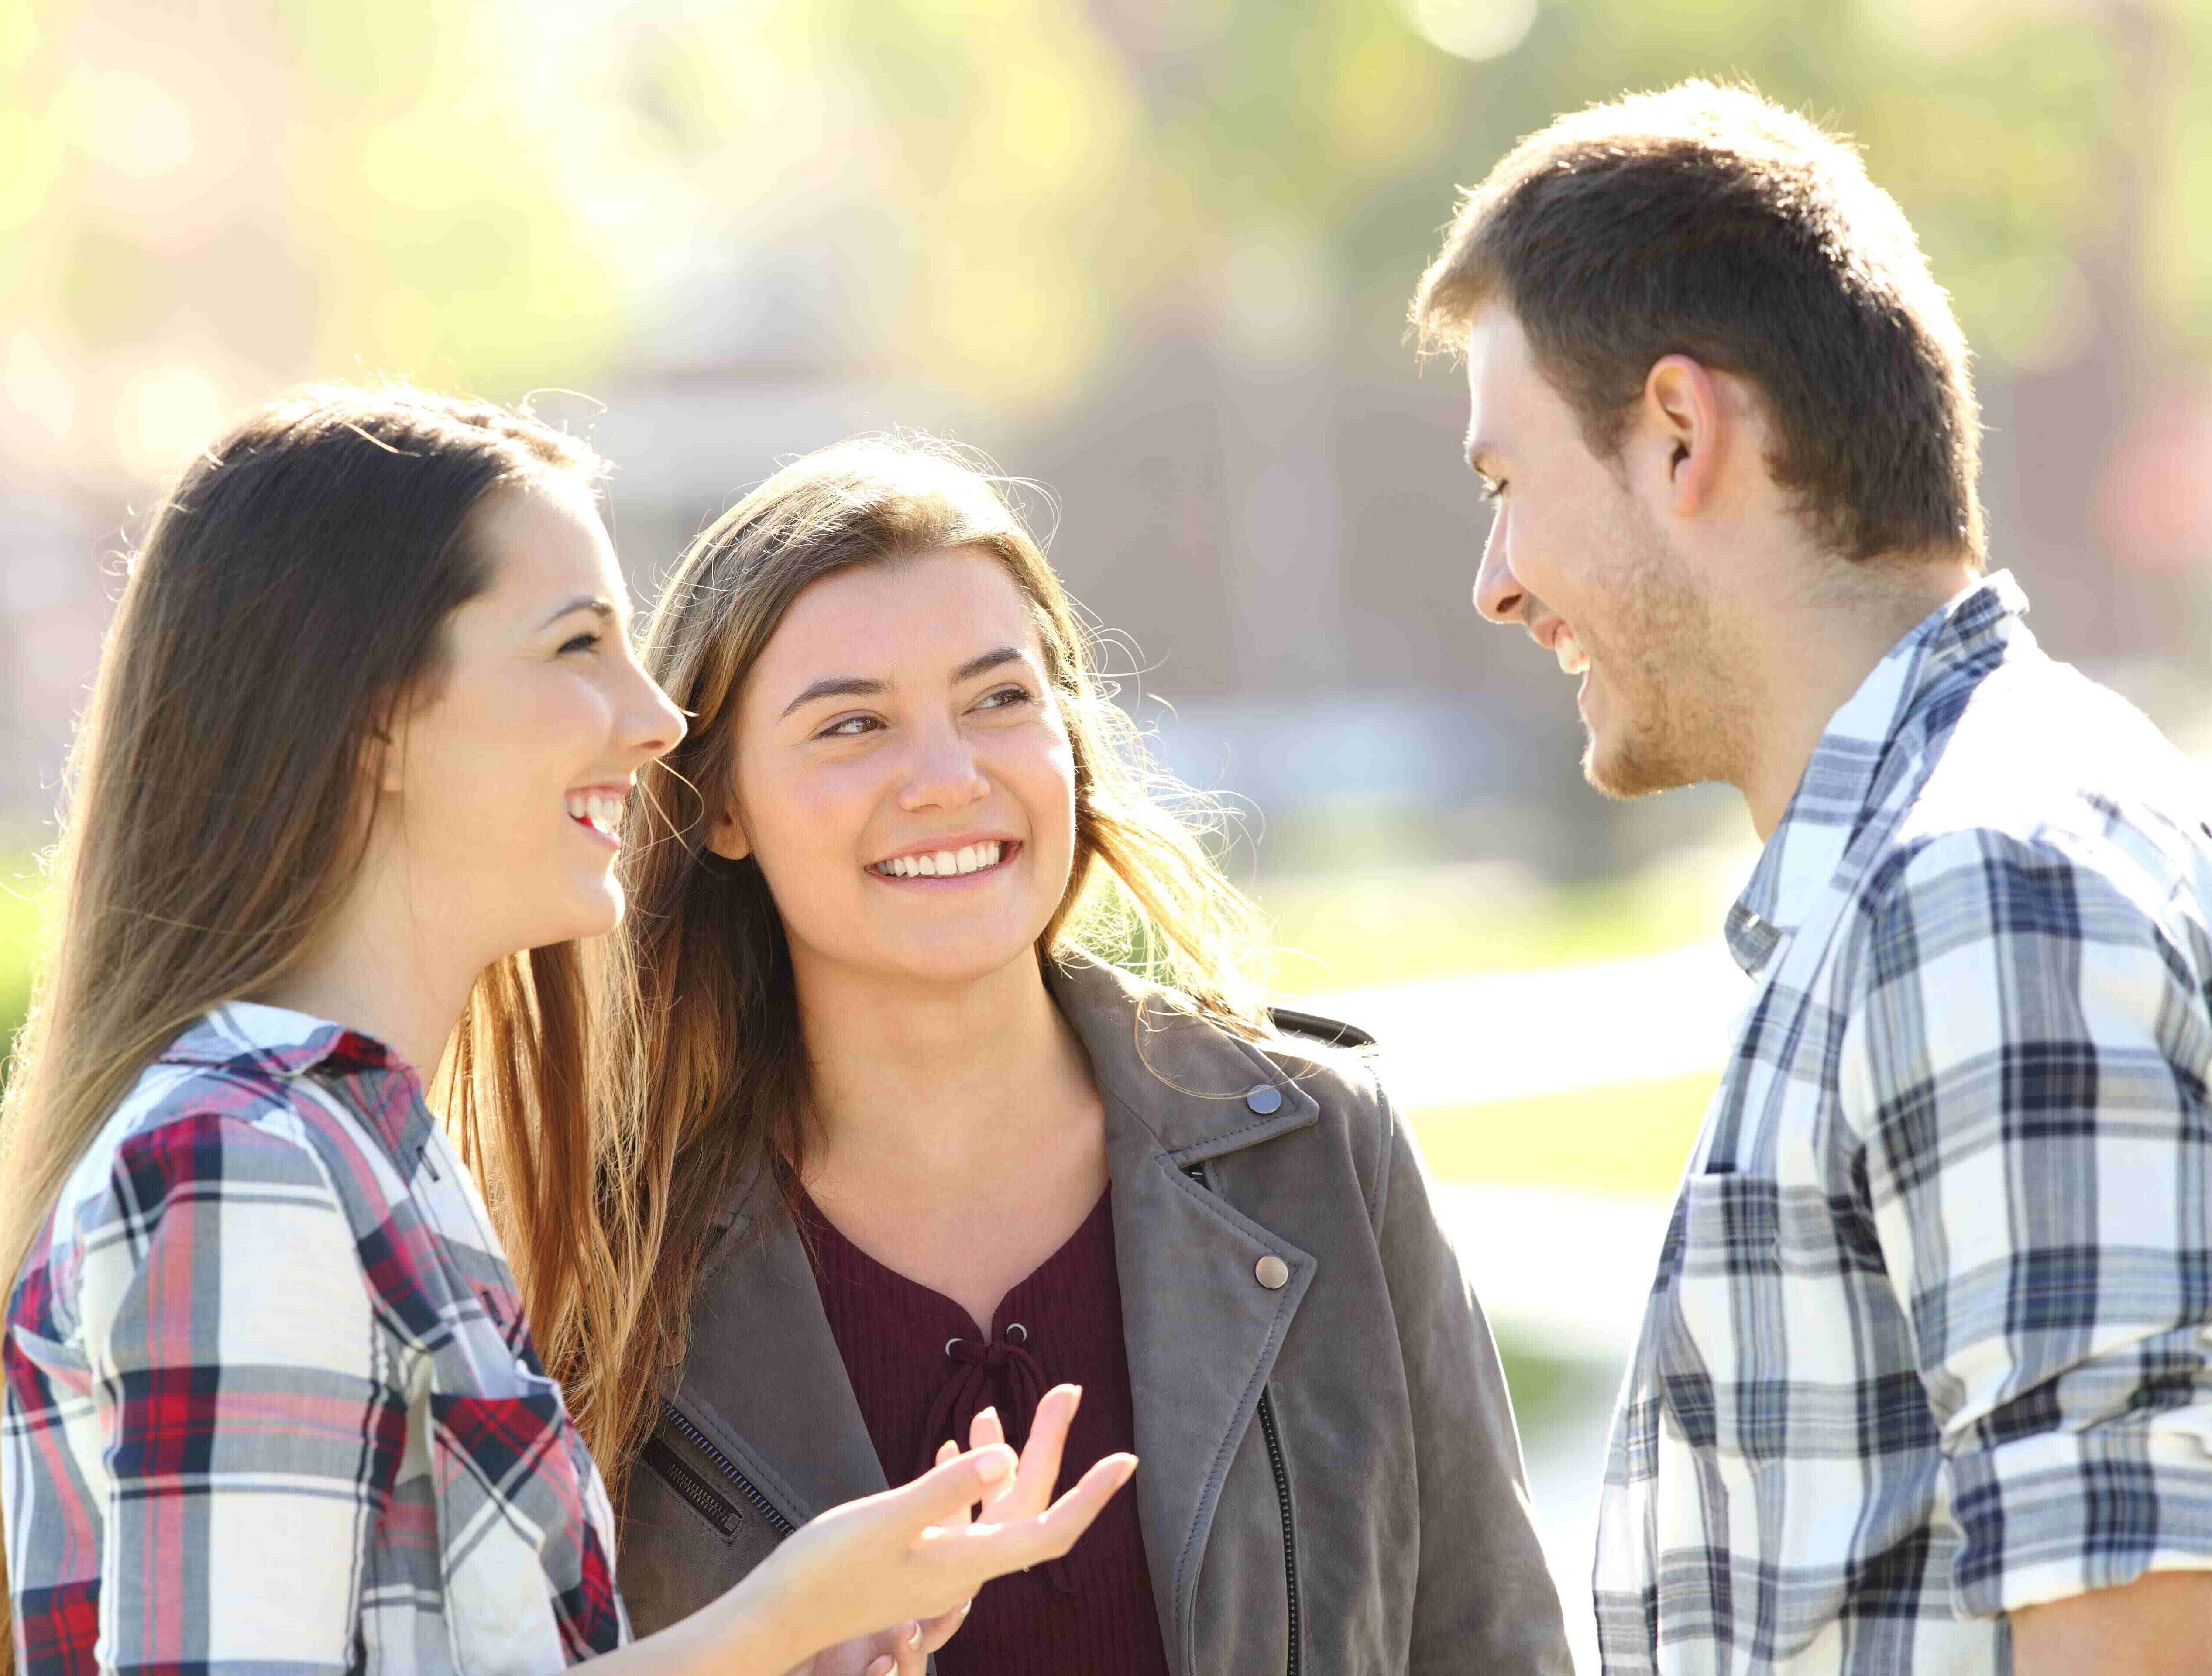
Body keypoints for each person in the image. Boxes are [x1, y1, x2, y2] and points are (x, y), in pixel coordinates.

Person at [0, 388, 1134, 1676]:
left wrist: (789, 1649)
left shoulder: (365, 1156)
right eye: (577, 648)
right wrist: (764, 1621)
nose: (659, 718)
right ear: (376, 715)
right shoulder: (244, 1170)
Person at [1410, 82, 2212, 1674]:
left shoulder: (1978, 890)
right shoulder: (1951, 855)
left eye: (1505, 486)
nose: (1494, 582)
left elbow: (2142, 1623)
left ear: (1682, 433)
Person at [590, 436, 1570, 1675]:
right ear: (721, 804)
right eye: (852, 725)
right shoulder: (609, 1234)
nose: (948, 778)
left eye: (1000, 699)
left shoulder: (1322, 1151)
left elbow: (1495, 1646)